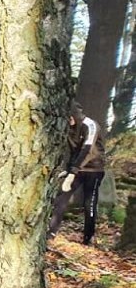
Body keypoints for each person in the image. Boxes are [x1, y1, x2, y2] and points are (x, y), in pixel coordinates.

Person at [48, 101, 105, 245]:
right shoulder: (70, 128)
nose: (69, 120)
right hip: (77, 169)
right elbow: (74, 151)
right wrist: (68, 169)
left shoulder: (90, 125)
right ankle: (51, 232)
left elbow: (86, 150)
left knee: (89, 203)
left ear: (76, 115)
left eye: (71, 117)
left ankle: (88, 237)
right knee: (61, 198)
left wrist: (72, 172)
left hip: (94, 170)